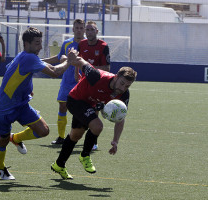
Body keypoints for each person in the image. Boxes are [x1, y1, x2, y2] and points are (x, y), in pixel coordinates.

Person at [0, 27, 76, 180]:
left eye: (40, 43)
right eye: (37, 43)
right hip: (3, 110)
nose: (40, 47)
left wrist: (27, 89)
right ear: (26, 43)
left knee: (43, 130)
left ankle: (15, 138)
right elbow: (55, 72)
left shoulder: (24, 56)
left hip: (21, 105)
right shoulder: (29, 58)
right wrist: (69, 61)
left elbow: (33, 67)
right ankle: (0, 166)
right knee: (1, 140)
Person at [51, 52, 137, 180]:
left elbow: (120, 118)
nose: (123, 88)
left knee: (75, 135)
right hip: (75, 100)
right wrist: (72, 58)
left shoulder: (123, 95)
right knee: (97, 126)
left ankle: (59, 164)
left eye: (127, 86)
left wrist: (115, 141)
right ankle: (85, 155)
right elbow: (81, 62)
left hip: (89, 105)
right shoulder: (97, 76)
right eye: (122, 83)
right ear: (116, 76)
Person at [42, 19, 86, 145]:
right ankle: (61, 137)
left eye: (81, 28)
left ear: (83, 29)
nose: (79, 30)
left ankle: (84, 138)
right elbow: (58, 57)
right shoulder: (67, 43)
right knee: (62, 106)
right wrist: (41, 60)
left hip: (81, 81)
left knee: (82, 110)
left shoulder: (87, 44)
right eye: (76, 27)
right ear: (73, 29)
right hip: (67, 81)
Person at [77, 20, 111, 150]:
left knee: (94, 111)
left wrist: (89, 68)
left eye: (92, 30)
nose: (89, 32)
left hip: (98, 82)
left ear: (97, 31)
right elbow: (78, 60)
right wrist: (76, 73)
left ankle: (93, 141)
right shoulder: (82, 44)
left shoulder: (103, 46)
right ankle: (75, 136)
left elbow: (107, 68)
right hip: (84, 83)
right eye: (88, 30)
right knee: (80, 109)